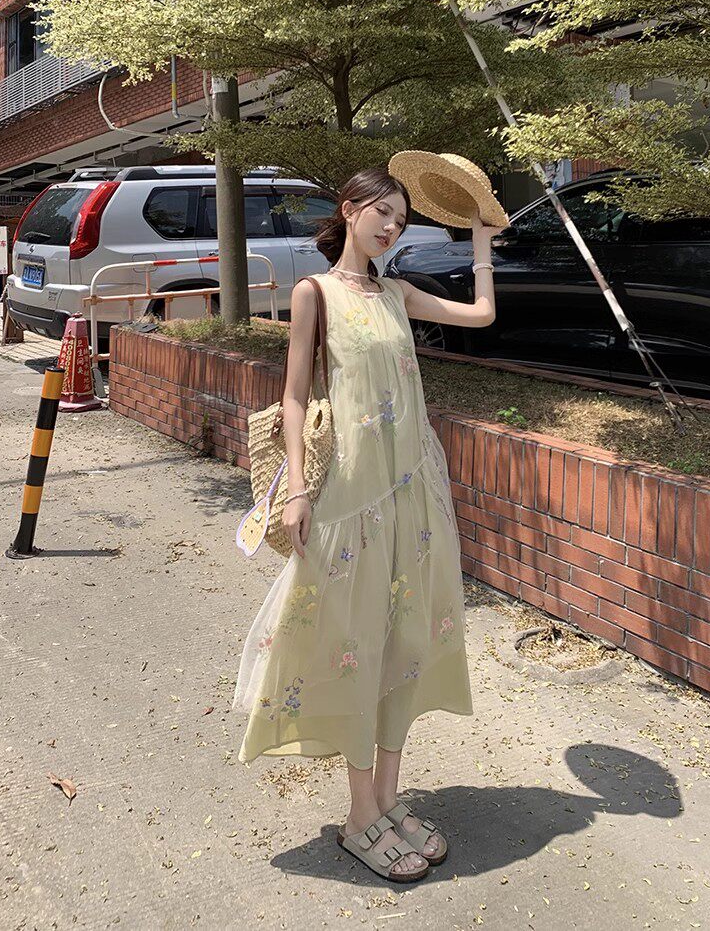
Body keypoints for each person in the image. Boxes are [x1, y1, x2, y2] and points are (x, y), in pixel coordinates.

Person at [232, 164, 503, 883]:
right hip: (351, 494)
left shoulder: (398, 293)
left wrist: (480, 239)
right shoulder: (313, 292)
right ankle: (358, 816)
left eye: (402, 221)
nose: (391, 227)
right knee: (353, 640)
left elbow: (481, 315)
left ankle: (386, 800)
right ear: (349, 210)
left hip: (412, 486)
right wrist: (296, 489)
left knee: (403, 638)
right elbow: (294, 397)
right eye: (382, 212)